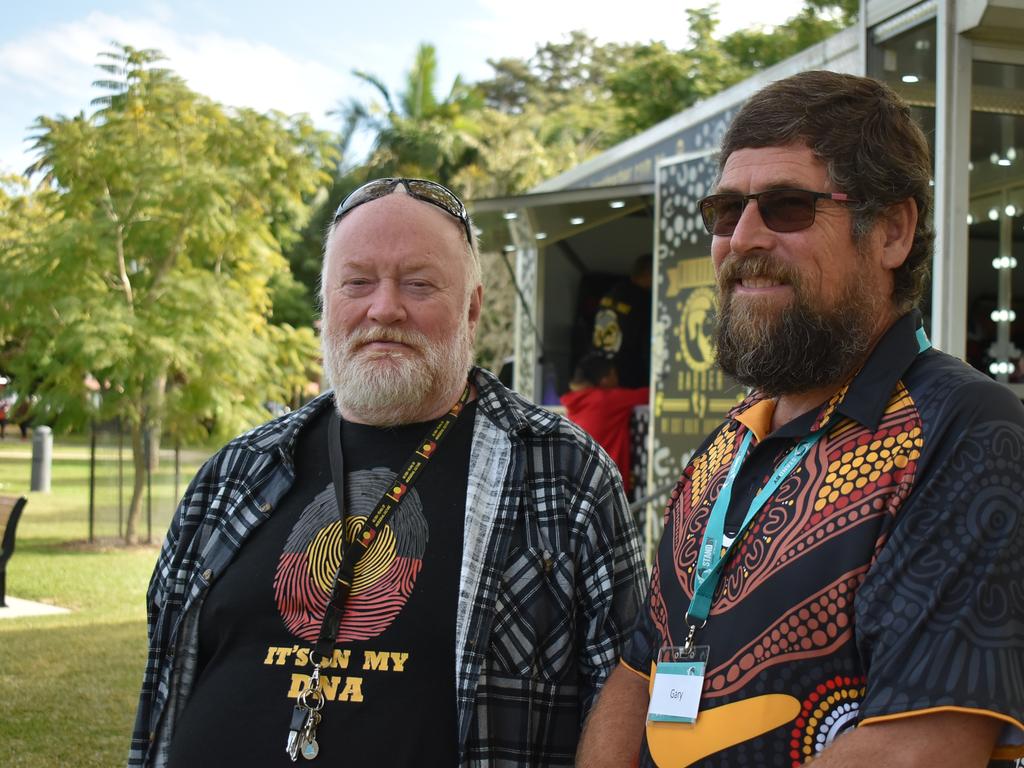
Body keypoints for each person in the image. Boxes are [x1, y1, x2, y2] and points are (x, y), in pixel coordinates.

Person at [577, 71, 1024, 768]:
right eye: (726, 211)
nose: (742, 239)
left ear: (893, 231)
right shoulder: (725, 450)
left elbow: (916, 748)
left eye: (787, 206)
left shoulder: (968, 432)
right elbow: (639, 675)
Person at [129, 178, 646, 767]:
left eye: (419, 284)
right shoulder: (234, 473)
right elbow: (164, 686)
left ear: (472, 307)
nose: (384, 307)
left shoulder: (563, 473)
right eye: (357, 283)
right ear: (327, 303)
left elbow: (624, 690)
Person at [560, 353, 649, 495]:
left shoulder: (575, 403)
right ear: (604, 380)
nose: (617, 380)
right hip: (607, 488)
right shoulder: (606, 400)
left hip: (581, 485)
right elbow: (652, 394)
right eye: (613, 374)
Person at [590, 254, 652, 387]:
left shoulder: (612, 292)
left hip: (601, 371)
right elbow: (644, 342)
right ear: (648, 273)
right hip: (628, 372)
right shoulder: (642, 299)